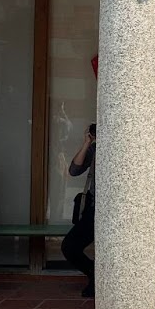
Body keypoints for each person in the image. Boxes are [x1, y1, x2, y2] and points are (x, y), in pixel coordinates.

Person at [61, 124, 97, 297]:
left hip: (117, 210)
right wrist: (87, 143)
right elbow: (74, 170)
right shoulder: (95, 149)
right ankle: (94, 274)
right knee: (69, 246)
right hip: (94, 207)